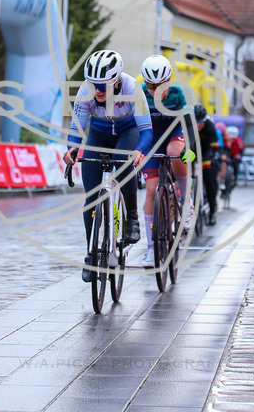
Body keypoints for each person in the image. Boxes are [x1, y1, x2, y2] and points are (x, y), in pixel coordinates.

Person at [63, 50, 152, 281]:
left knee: (124, 162)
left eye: (102, 85)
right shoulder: (85, 92)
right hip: (99, 135)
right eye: (94, 85)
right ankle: (91, 255)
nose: (98, 90)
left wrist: (139, 152)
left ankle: (132, 216)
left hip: (128, 132)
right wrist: (71, 149)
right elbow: (77, 129)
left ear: (116, 79)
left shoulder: (133, 88)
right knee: (91, 197)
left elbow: (146, 129)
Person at [138, 54, 194, 267]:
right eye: (151, 85)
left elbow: (188, 124)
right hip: (150, 138)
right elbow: (134, 127)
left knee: (175, 152)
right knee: (151, 191)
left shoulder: (178, 94)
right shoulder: (140, 94)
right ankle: (151, 249)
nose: (155, 90)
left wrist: (190, 150)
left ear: (169, 79)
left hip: (173, 134)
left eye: (161, 84)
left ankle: (186, 202)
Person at [194, 104, 221, 225]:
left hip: (206, 154)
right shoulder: (189, 125)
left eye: (201, 122)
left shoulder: (210, 126)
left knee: (210, 180)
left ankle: (212, 210)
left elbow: (215, 147)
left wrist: (215, 157)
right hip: (192, 152)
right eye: (196, 122)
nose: (198, 125)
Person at [221, 125, 245, 195]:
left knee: (236, 165)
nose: (232, 140)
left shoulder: (238, 141)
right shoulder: (225, 139)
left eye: (233, 139)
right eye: (230, 138)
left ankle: (235, 179)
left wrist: (239, 157)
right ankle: (223, 179)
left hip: (235, 155)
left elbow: (241, 150)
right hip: (228, 154)